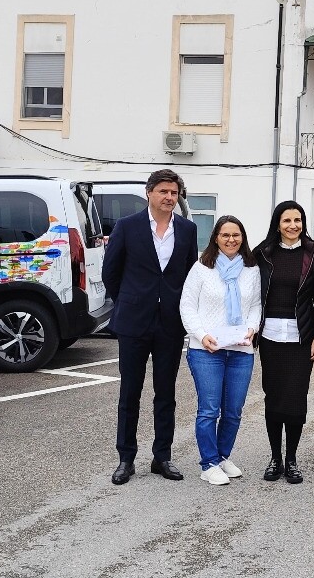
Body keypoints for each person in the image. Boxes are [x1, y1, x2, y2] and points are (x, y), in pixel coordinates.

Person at [105, 169, 200, 485]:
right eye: (163, 192)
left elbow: (188, 276)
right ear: (149, 193)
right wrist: (131, 301)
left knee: (166, 394)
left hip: (170, 325)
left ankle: (162, 457)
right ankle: (126, 459)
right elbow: (111, 273)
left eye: (174, 193)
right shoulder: (127, 227)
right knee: (130, 392)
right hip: (133, 322)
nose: (169, 198)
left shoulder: (187, 230)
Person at [179, 216, 262, 485]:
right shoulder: (202, 269)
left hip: (241, 349)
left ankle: (223, 456)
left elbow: (256, 306)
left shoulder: (251, 269)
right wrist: (201, 336)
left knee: (234, 410)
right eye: (225, 235)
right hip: (207, 351)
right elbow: (187, 307)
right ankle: (208, 463)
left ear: (243, 238)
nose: (231, 240)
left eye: (236, 235)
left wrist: (251, 327)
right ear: (216, 238)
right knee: (209, 410)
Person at [251, 201, 314, 485]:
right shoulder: (263, 253)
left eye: (298, 220)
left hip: (301, 337)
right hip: (270, 336)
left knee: (296, 398)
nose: (293, 226)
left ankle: (292, 459)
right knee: (273, 395)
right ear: (277, 224)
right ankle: (275, 458)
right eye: (287, 221)